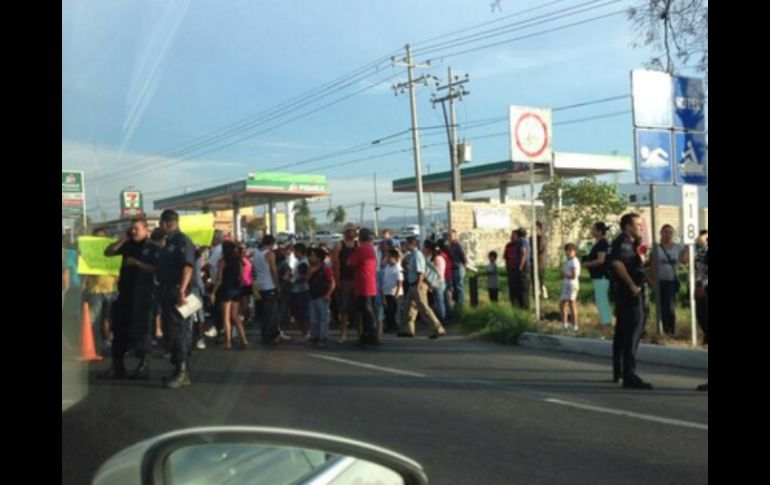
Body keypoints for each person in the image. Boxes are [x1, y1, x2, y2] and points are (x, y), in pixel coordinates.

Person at [101, 218, 155, 380]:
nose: (133, 231)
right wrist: (122, 239)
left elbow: (156, 269)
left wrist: (137, 263)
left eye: (136, 228)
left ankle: (143, 365)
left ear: (145, 229)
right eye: (131, 229)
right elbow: (108, 252)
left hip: (143, 295)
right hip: (124, 293)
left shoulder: (151, 247)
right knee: (119, 329)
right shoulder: (127, 244)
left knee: (141, 331)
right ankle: (118, 367)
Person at [608, 213, 653, 390]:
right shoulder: (624, 242)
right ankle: (629, 375)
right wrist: (633, 285)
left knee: (622, 333)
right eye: (637, 225)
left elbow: (637, 264)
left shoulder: (630, 243)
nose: (640, 227)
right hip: (630, 295)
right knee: (632, 334)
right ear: (627, 226)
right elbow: (618, 264)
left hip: (623, 295)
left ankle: (619, 371)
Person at [156, 210, 197, 389]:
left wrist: (182, 290)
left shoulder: (182, 240)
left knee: (179, 330)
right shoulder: (169, 242)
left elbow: (188, 266)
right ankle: (177, 370)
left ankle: (183, 373)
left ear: (165, 223)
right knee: (171, 331)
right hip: (167, 290)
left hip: (179, 291)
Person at [400, 236, 447, 339]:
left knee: (424, 309)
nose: (405, 246)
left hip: (418, 285)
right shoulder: (412, 255)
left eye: (407, 244)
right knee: (409, 308)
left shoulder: (417, 255)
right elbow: (405, 264)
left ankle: (438, 328)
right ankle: (408, 330)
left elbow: (420, 271)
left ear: (411, 244)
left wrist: (418, 285)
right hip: (413, 284)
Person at [82, 228, 118, 356]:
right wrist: (84, 284)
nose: (100, 240)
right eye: (97, 237)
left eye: (102, 237)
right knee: (93, 320)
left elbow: (118, 273)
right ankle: (93, 346)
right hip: (95, 290)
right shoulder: (89, 252)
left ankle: (107, 344)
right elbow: (85, 272)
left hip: (112, 290)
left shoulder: (113, 252)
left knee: (109, 319)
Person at [650, 224, 687, 337]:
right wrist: (652, 281)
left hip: (671, 281)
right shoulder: (656, 248)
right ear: (661, 233)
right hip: (659, 281)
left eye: (670, 232)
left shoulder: (677, 247)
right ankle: (662, 329)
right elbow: (652, 265)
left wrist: (687, 249)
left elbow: (684, 261)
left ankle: (671, 330)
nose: (668, 234)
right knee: (661, 306)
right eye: (665, 232)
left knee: (669, 306)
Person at [211, 241, 249, 350]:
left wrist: (213, 292)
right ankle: (244, 340)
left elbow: (219, 279)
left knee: (226, 317)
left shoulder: (222, 261)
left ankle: (228, 342)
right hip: (236, 289)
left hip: (226, 289)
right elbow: (241, 277)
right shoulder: (239, 261)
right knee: (235, 316)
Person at [347, 228, 378, 348]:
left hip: (363, 285)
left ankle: (370, 337)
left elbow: (350, 262)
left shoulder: (361, 249)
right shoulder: (370, 248)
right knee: (367, 313)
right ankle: (368, 336)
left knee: (366, 313)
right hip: (370, 284)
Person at [582, 222, 613, 339]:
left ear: (600, 231)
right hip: (598, 277)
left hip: (602, 277)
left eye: (593, 229)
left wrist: (587, 264)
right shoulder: (599, 243)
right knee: (602, 303)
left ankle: (606, 331)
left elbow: (601, 260)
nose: (591, 231)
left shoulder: (602, 243)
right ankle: (607, 329)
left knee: (602, 303)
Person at [332, 222, 359, 343]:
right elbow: (335, 265)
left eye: (353, 230)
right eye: (350, 230)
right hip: (344, 280)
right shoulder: (339, 245)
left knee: (358, 308)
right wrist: (337, 281)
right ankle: (343, 333)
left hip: (356, 280)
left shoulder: (358, 245)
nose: (352, 232)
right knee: (344, 309)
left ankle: (360, 333)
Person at [253, 235, 281, 345]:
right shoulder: (270, 254)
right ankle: (269, 336)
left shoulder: (256, 254)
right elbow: (273, 271)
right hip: (269, 285)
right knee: (272, 314)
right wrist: (278, 286)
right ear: (271, 243)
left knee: (263, 313)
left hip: (259, 286)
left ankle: (264, 334)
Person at [308, 247, 335, 347]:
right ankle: (314, 336)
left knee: (323, 319)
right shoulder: (311, 268)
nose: (311, 258)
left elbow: (332, 282)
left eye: (313, 256)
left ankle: (323, 337)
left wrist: (328, 294)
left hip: (322, 297)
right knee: (314, 319)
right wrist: (311, 272)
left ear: (319, 258)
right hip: (312, 296)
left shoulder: (325, 268)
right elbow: (307, 279)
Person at [290, 243, 311, 340]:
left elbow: (304, 277)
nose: (293, 253)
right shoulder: (298, 262)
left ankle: (305, 333)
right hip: (297, 291)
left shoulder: (303, 263)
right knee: (299, 313)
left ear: (299, 251)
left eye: (294, 251)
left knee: (302, 313)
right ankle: (303, 332)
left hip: (301, 291)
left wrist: (293, 281)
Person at [381, 248, 403, 333]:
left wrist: (397, 293)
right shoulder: (387, 267)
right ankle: (389, 325)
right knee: (387, 311)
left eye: (389, 257)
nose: (387, 258)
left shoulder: (397, 268)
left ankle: (395, 325)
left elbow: (399, 281)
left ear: (395, 258)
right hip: (387, 292)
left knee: (394, 310)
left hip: (394, 293)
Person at [560, 243, 581, 331]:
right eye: (567, 250)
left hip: (571, 285)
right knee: (562, 304)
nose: (568, 252)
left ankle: (574, 325)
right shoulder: (569, 261)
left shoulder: (574, 261)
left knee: (571, 304)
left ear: (574, 251)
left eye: (570, 250)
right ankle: (564, 324)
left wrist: (564, 275)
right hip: (567, 284)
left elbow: (573, 275)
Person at [447, 229, 468, 307]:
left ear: (455, 236)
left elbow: (464, 257)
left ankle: (461, 304)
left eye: (451, 236)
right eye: (448, 236)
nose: (449, 237)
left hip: (458, 268)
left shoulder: (458, 245)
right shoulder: (449, 246)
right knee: (455, 286)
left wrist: (464, 267)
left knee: (459, 286)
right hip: (452, 268)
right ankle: (456, 303)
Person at [531, 221, 548, 299]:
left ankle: (542, 295)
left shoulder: (542, 238)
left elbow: (539, 249)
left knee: (541, 280)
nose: (534, 230)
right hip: (533, 262)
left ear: (539, 229)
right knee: (534, 279)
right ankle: (535, 294)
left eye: (536, 228)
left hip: (540, 263)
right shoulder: (531, 238)